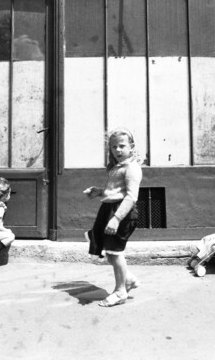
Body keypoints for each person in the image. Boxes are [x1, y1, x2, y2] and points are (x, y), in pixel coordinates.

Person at [84, 128, 143, 307]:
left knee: (115, 253)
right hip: (109, 209)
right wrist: (99, 192)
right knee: (109, 252)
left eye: (122, 146)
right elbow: (115, 191)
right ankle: (129, 279)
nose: (117, 150)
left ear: (131, 147)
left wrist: (116, 218)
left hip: (122, 212)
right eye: (114, 147)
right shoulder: (115, 168)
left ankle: (120, 291)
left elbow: (131, 197)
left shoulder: (132, 168)